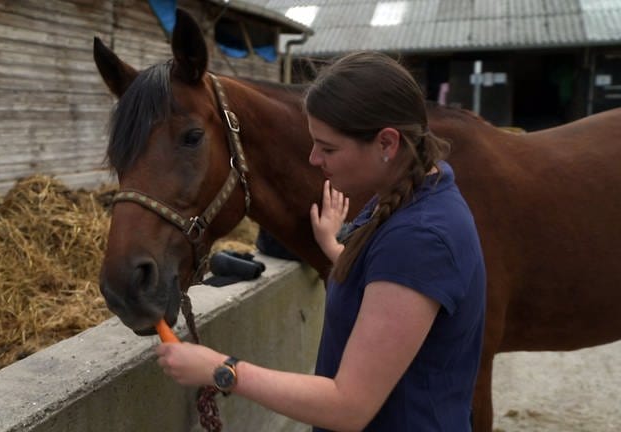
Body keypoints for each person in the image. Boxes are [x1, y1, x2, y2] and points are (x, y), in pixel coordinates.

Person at [156, 51, 486, 432]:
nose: (314, 159)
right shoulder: (416, 190)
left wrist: (221, 369)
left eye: (328, 148)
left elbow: (348, 406)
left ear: (387, 143)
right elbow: (390, 286)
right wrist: (334, 247)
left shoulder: (421, 239)